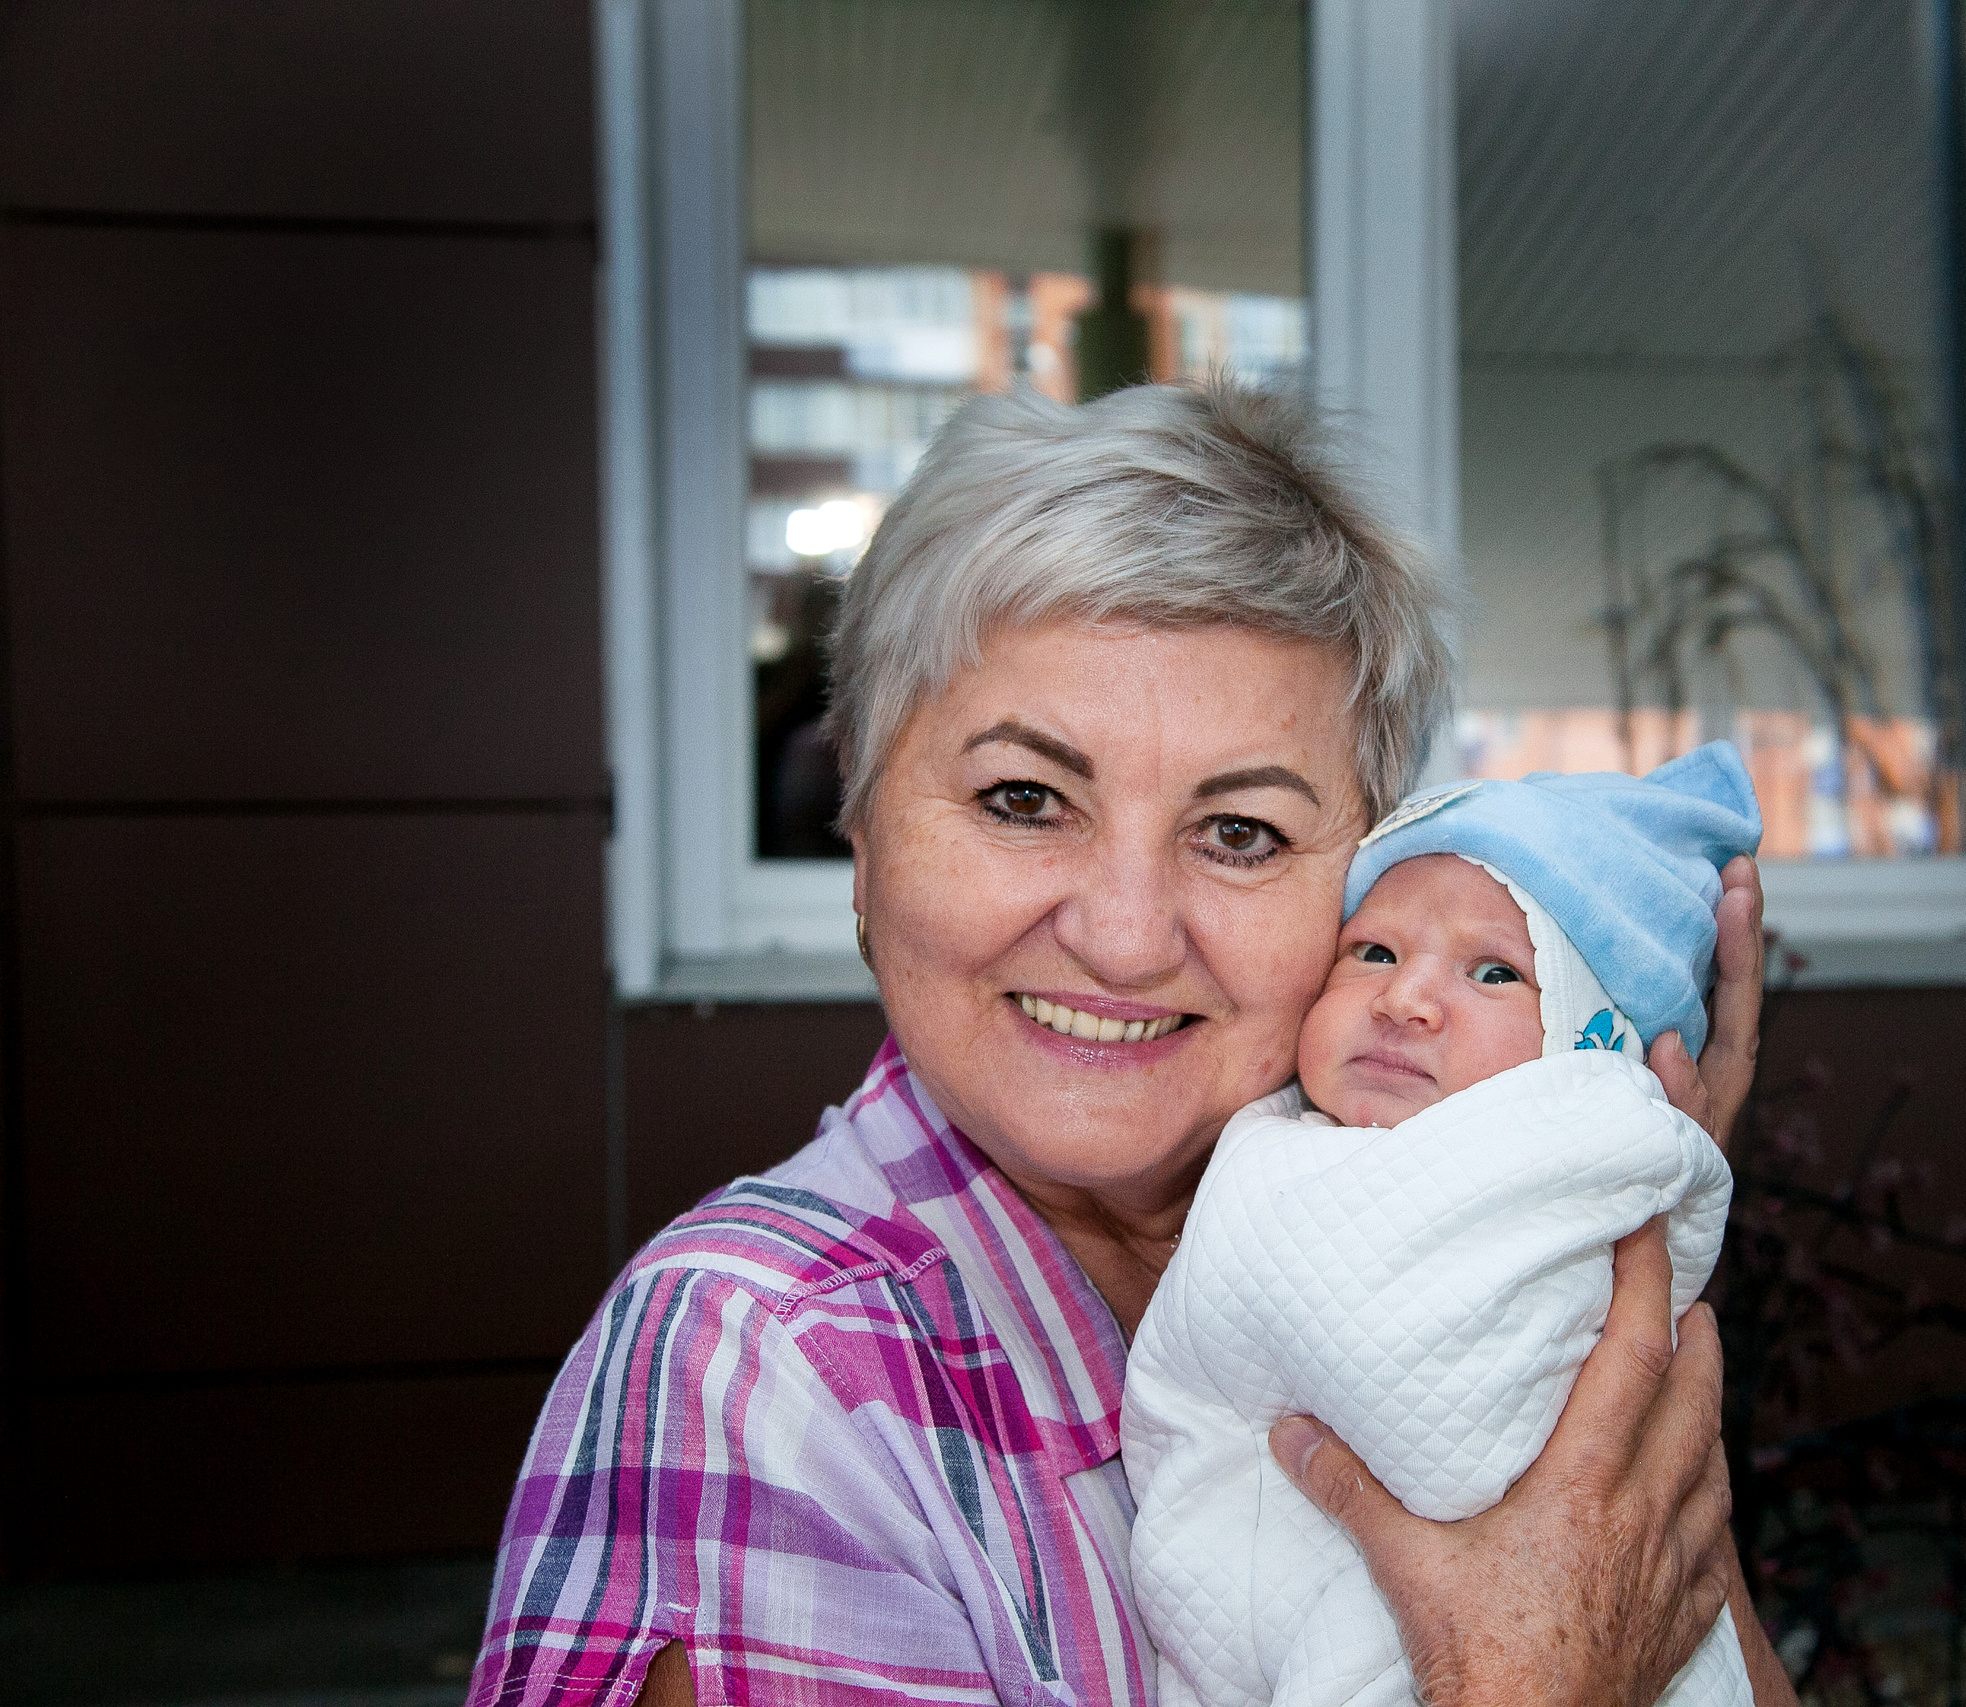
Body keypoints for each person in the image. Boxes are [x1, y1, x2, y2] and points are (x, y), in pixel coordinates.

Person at [466, 380, 1795, 1707]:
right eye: (1024, 798)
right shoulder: (767, 1362)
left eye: (1239, 831)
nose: (1123, 936)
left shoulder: (1417, 1238)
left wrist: (1597, 1236)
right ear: (864, 838)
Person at [1124, 744, 1763, 1707]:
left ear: (1590, 1049)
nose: (1404, 998)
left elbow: (1459, 1432)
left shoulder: (1562, 1164)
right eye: (1373, 952)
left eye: (1494, 972)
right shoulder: (1275, 1140)